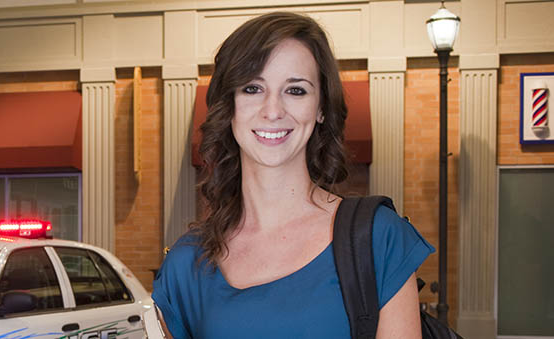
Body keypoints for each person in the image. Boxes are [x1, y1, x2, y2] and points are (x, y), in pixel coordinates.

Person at [151, 12, 434, 338]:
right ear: (229, 105)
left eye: (296, 90)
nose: (273, 110)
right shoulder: (187, 263)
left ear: (321, 108)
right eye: (253, 88)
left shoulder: (377, 239)